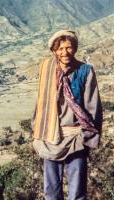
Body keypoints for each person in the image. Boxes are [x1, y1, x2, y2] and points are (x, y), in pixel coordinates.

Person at [33, 30, 102, 200]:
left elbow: (93, 106)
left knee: (77, 190)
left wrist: (87, 135)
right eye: (60, 48)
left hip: (76, 137)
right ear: (54, 51)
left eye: (69, 48)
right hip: (51, 135)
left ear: (75, 49)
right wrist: (37, 129)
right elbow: (40, 103)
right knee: (51, 189)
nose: (65, 52)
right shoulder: (47, 71)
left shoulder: (85, 71)